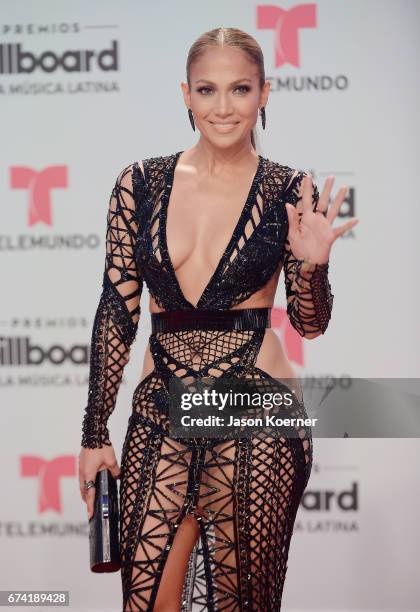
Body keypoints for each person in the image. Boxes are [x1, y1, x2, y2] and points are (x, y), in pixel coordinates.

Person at [78, 27, 358, 612]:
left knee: (241, 604)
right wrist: (95, 431)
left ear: (264, 92)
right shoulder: (140, 183)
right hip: (162, 408)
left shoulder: (288, 188)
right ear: (186, 94)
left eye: (239, 89)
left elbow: (309, 324)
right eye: (207, 90)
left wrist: (314, 268)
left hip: (256, 410)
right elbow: (117, 308)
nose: (223, 107)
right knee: (147, 602)